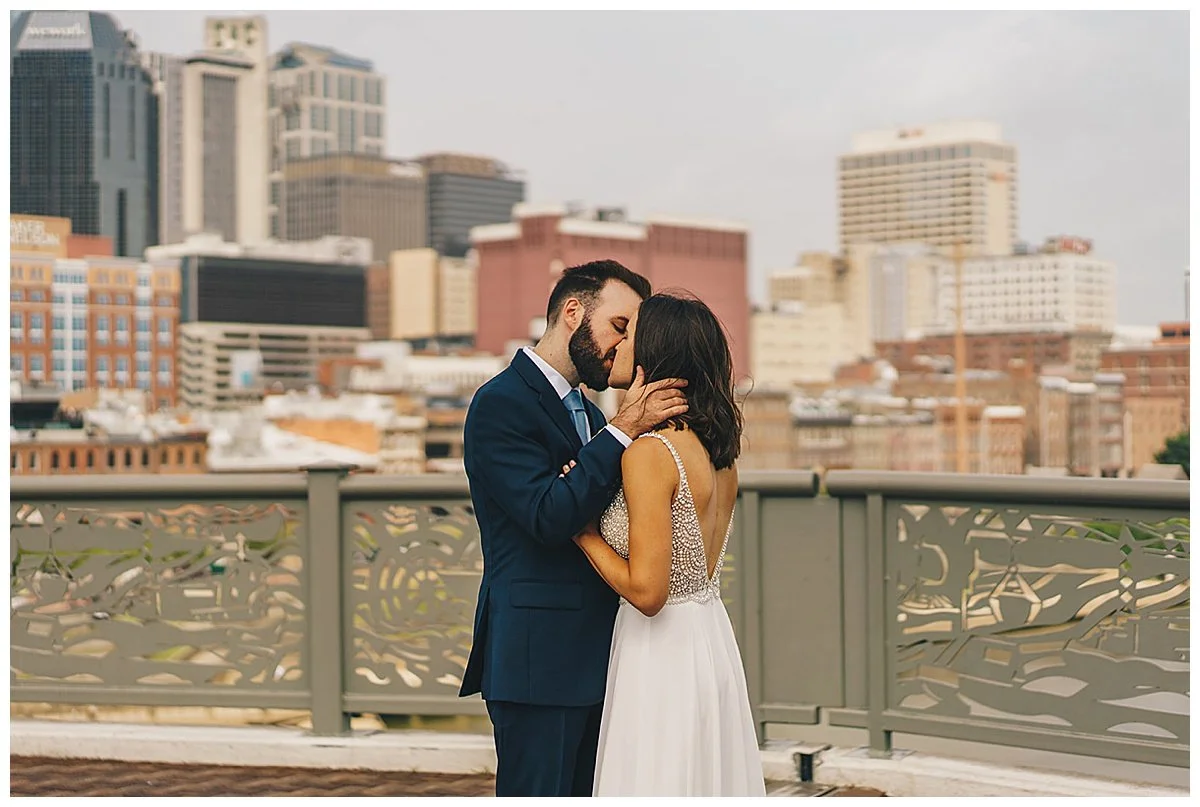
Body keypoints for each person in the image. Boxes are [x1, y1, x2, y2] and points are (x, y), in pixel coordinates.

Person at [459, 260, 689, 798]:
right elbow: (547, 516)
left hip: (604, 654)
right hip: (539, 661)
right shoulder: (500, 404)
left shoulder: (588, 410)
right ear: (572, 312)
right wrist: (626, 428)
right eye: (620, 326)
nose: (625, 344)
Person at [570, 291, 766, 797]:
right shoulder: (719, 453)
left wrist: (585, 533)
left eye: (630, 333)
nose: (620, 342)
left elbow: (649, 593)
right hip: (709, 640)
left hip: (661, 653)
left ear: (654, 351)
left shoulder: (652, 454)